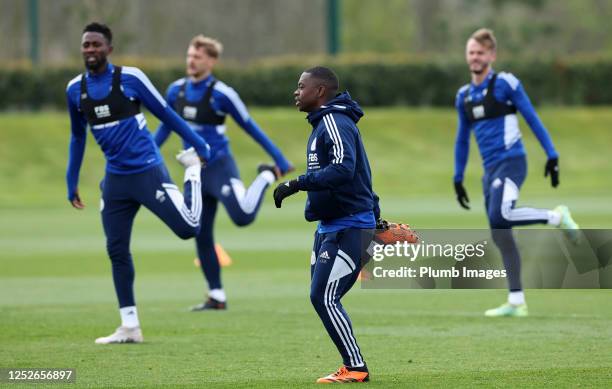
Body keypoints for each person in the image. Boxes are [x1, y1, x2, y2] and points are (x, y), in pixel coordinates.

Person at [66, 23, 211, 343]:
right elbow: (77, 136)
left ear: (109, 49)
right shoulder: (75, 89)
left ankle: (191, 173)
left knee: (189, 229)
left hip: (147, 171)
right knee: (116, 249)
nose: (90, 50)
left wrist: (198, 145)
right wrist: (71, 179)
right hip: (116, 181)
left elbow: (165, 113)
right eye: (86, 45)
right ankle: (129, 326)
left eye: (96, 45)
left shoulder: (131, 78)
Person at [155, 35, 293, 310]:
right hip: (195, 172)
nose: (191, 61)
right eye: (189, 55)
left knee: (242, 216)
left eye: (197, 56)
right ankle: (216, 295)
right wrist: (144, 154)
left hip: (219, 167)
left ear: (212, 61)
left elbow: (249, 126)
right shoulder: (176, 91)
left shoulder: (222, 94)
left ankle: (265, 176)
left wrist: (278, 159)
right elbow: (165, 128)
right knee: (199, 231)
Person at [453, 28, 580, 317]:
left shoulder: (506, 83)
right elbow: (462, 138)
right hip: (489, 170)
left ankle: (558, 216)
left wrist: (552, 154)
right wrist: (458, 176)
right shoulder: (464, 96)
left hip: (512, 161)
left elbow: (531, 117)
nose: (474, 57)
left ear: (492, 56)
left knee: (501, 215)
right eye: (471, 52)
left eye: (480, 53)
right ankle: (516, 301)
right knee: (501, 235)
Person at [274, 66, 376, 383]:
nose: (296, 91)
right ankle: (352, 365)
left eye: (301, 85)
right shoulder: (322, 125)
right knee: (320, 296)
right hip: (329, 228)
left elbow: (345, 169)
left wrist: (297, 184)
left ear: (319, 91)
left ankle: (356, 367)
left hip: (351, 227)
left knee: (324, 297)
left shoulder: (334, 121)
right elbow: (362, 176)